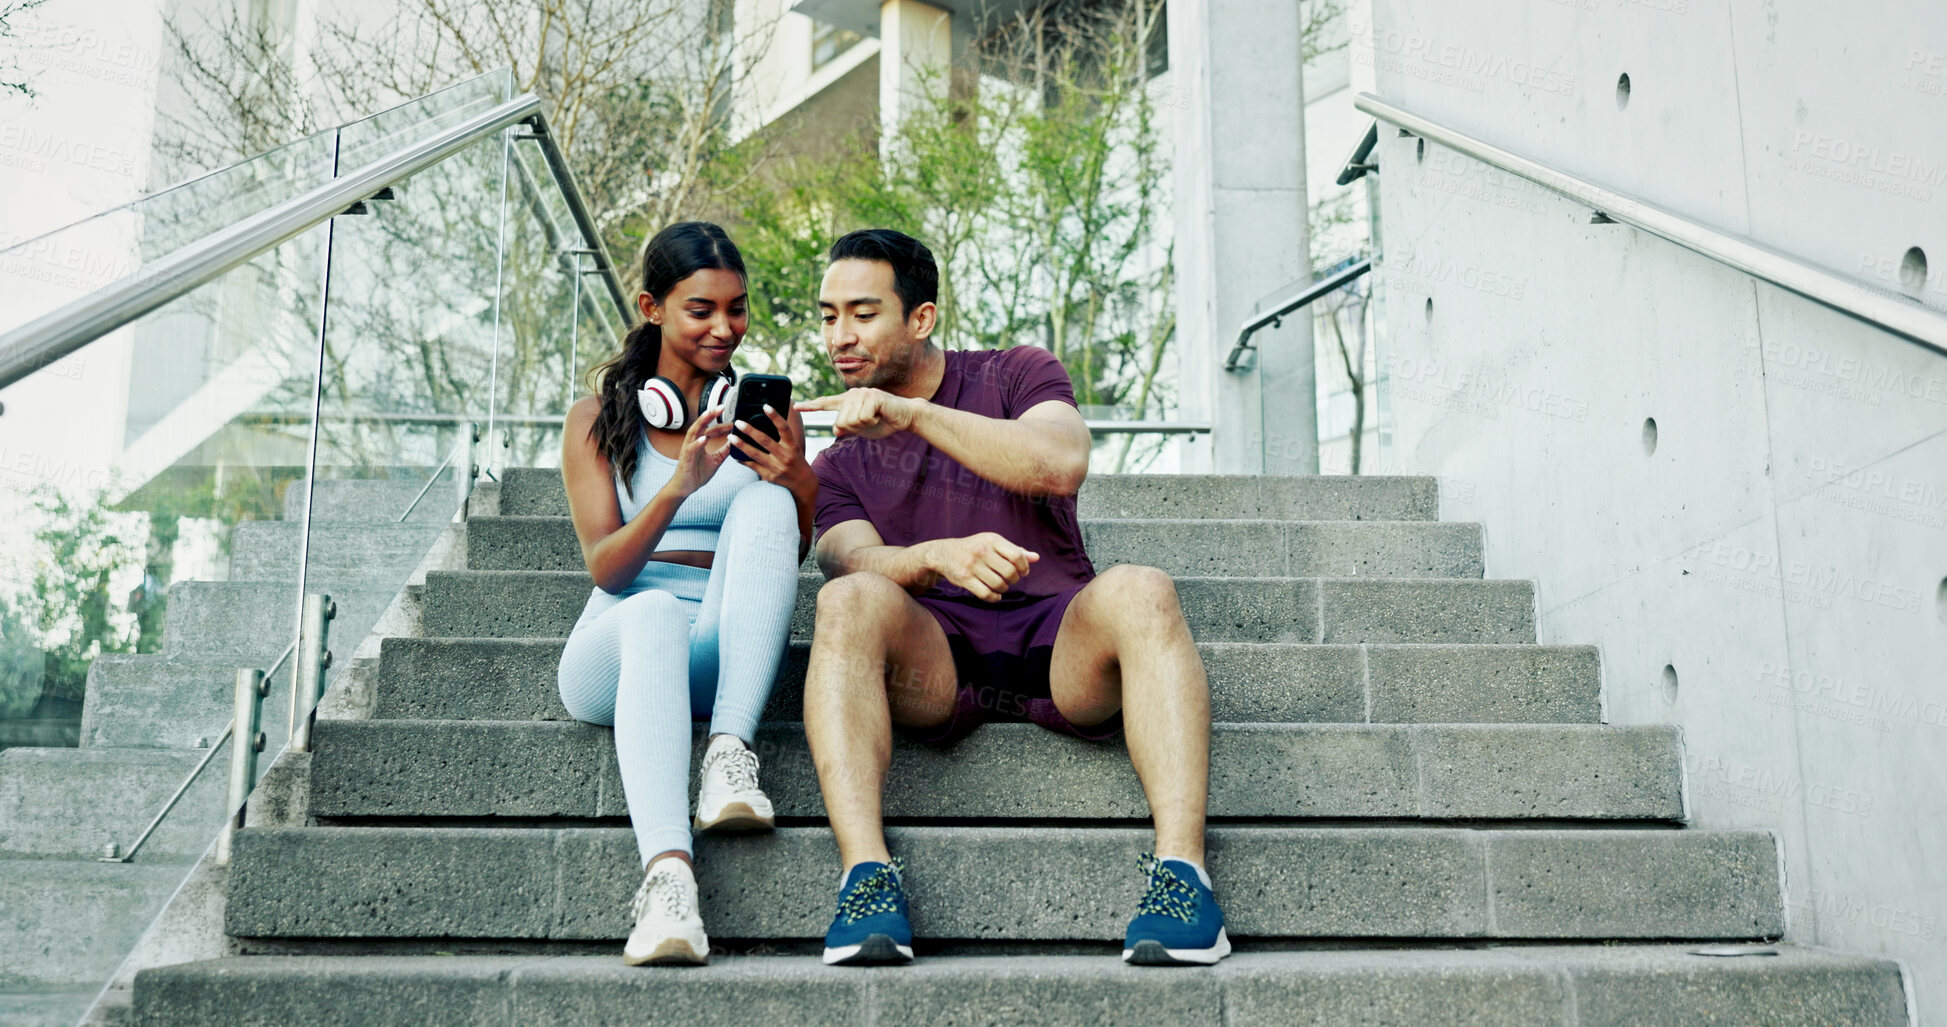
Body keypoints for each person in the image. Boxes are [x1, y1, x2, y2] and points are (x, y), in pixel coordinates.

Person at [794, 228, 1227, 967]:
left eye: (862, 314)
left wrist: (912, 414)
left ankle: (1184, 878)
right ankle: (866, 879)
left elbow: (1059, 462)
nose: (840, 336)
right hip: (935, 657)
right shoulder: (836, 461)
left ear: (921, 318)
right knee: (846, 603)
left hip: (1059, 642)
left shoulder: (1017, 371)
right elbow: (846, 560)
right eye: (829, 316)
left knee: (1142, 589)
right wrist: (933, 556)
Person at [557, 221, 818, 966]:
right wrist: (677, 486)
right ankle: (668, 882)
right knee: (654, 611)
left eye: (736, 309)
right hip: (619, 647)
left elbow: (787, 554)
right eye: (700, 309)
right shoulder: (595, 420)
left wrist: (798, 482)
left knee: (765, 504)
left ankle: (728, 753)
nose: (724, 328)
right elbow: (607, 569)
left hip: (719, 652)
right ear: (652, 307)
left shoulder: (767, 416)